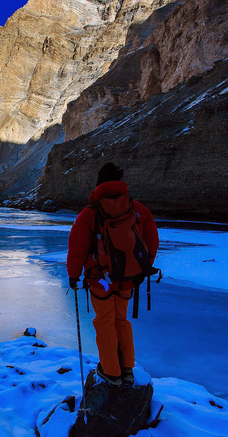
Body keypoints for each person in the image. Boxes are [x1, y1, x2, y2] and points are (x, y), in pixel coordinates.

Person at [67, 162, 159, 386]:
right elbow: (152, 242)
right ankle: (127, 369)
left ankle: (111, 372)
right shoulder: (137, 209)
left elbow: (77, 247)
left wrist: (73, 275)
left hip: (101, 280)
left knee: (104, 322)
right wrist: (140, 269)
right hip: (128, 279)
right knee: (121, 320)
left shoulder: (90, 214)